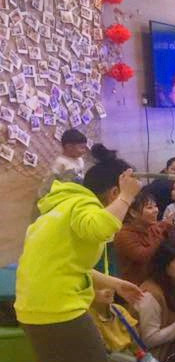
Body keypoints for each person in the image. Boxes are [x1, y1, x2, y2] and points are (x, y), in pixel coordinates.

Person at [15, 144, 144, 362]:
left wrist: (115, 283)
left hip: (32, 307)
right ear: (114, 193)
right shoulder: (84, 204)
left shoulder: (63, 206)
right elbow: (100, 227)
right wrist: (127, 196)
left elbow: (66, 263)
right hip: (57, 307)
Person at [115, 191, 175, 285]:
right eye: (150, 207)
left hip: (160, 278)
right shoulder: (123, 234)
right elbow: (144, 256)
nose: (156, 210)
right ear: (133, 213)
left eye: (155, 206)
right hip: (139, 285)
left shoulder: (153, 227)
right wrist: (164, 231)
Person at [87, 287, 139, 361]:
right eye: (100, 287)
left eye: (110, 286)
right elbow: (103, 352)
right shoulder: (88, 318)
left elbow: (136, 340)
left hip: (131, 355)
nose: (108, 290)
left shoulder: (119, 309)